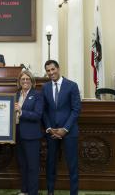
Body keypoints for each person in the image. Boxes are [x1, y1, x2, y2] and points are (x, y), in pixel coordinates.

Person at [42, 60, 81, 195]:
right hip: (52, 132)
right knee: (50, 164)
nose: (51, 73)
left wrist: (65, 129)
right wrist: (48, 127)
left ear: (58, 68)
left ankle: (73, 193)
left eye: (53, 69)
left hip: (69, 132)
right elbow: (44, 110)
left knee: (72, 165)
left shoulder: (72, 85)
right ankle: (50, 192)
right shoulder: (45, 87)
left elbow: (76, 110)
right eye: (48, 70)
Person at [14, 70, 43, 195]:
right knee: (22, 165)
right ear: (19, 81)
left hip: (31, 136)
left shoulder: (37, 95)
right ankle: (24, 190)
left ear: (32, 81)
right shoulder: (16, 95)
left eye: (27, 79)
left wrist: (21, 112)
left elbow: (37, 115)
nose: (25, 81)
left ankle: (32, 192)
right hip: (17, 135)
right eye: (23, 79)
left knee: (32, 166)